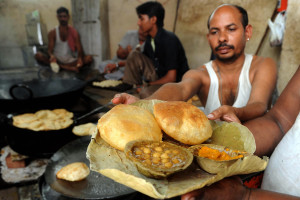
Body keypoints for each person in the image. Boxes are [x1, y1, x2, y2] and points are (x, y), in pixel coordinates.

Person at [112, 4, 277, 122]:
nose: (222, 38)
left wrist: (235, 112)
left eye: (231, 29)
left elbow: (259, 104)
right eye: (214, 32)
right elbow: (180, 88)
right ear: (208, 38)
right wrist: (143, 105)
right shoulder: (200, 74)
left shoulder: (262, 65)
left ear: (247, 32)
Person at [181, 66, 300, 199]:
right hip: (267, 186)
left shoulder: (262, 65)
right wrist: (228, 145)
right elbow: (280, 120)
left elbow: (260, 104)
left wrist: (246, 196)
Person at [118, 1, 189, 97]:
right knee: (134, 54)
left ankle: (140, 90)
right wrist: (117, 65)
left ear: (153, 20)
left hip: (175, 84)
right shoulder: (150, 39)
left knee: (146, 93)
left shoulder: (169, 40)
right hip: (159, 78)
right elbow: (141, 61)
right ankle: (132, 87)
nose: (138, 23)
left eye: (141, 19)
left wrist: (147, 85)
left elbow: (171, 77)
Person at [35, 7, 93, 73]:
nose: (62, 19)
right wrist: (52, 56)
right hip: (57, 61)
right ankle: (68, 68)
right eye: (60, 17)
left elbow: (79, 49)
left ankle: (63, 68)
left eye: (64, 16)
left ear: (68, 17)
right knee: (38, 55)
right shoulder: (53, 33)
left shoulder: (74, 32)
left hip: (70, 61)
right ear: (57, 17)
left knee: (89, 58)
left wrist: (80, 59)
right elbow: (50, 50)